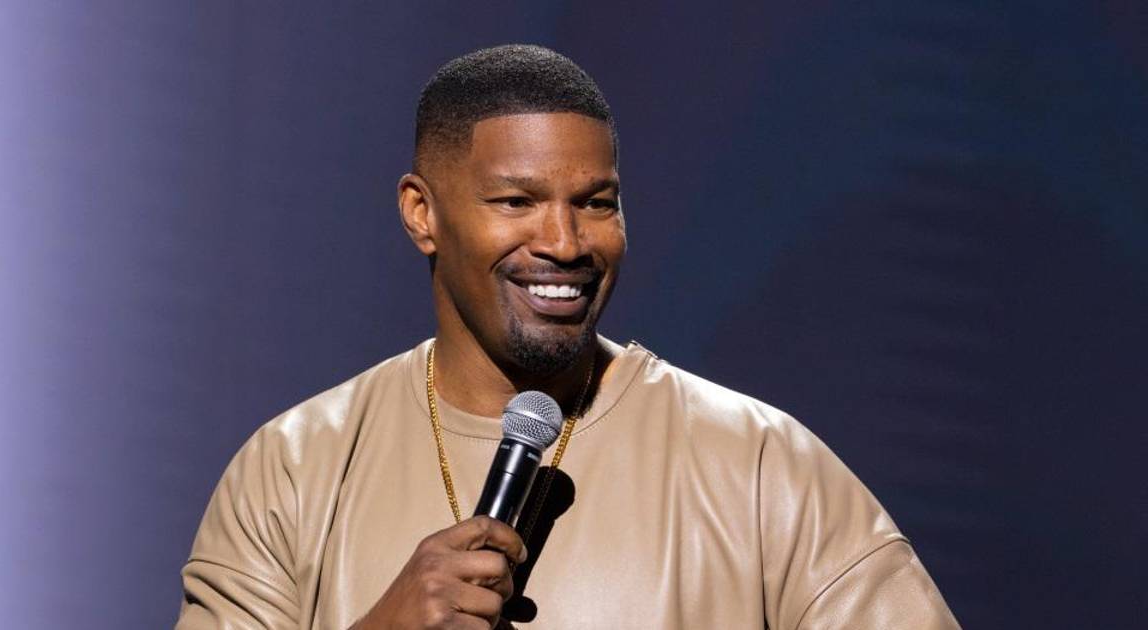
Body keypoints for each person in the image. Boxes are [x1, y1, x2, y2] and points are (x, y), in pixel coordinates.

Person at [176, 44, 959, 629]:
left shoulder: (761, 465)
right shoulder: (293, 470)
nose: (565, 242)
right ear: (423, 213)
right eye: (516, 201)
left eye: (595, 202)